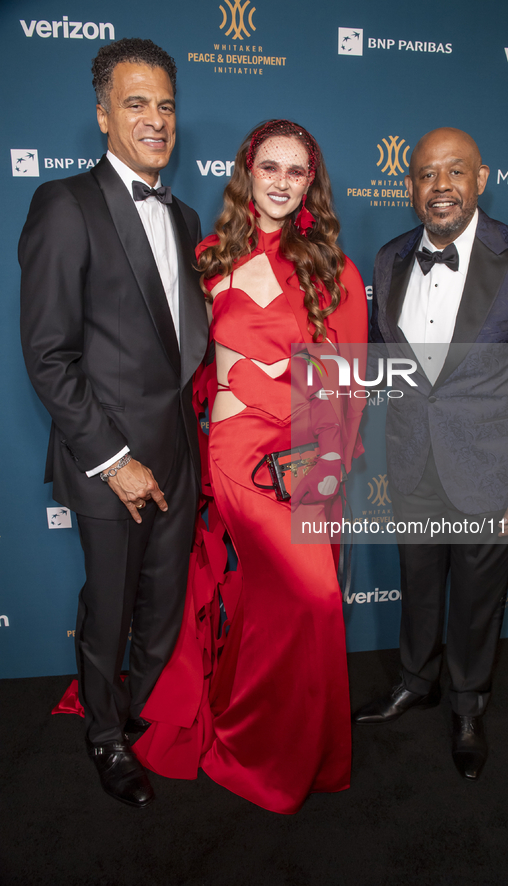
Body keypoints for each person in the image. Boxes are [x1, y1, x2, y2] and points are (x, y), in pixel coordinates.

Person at [134, 119, 368, 814]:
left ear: (309, 185)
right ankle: (252, 744)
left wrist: (323, 470)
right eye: (270, 166)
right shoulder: (209, 258)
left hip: (306, 456)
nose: (281, 182)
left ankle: (284, 745)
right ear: (248, 171)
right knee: (306, 598)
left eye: (296, 172)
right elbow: (184, 368)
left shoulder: (334, 267)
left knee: (302, 604)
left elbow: (348, 385)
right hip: (238, 453)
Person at [19, 38, 208, 807]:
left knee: (161, 606)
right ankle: (104, 736)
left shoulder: (187, 213)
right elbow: (48, 354)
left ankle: (147, 721)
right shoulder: (65, 205)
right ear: (102, 115)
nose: (155, 119)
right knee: (108, 606)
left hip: (178, 456)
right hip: (110, 462)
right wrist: (111, 459)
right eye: (136, 103)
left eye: (164, 104)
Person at [354, 127, 508, 779]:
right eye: (426, 174)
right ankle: (414, 681)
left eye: (455, 172)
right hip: (413, 460)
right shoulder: (389, 258)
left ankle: (467, 701)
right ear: (409, 187)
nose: (440, 186)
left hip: (491, 466)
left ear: (480, 180)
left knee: (476, 598)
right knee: (418, 586)